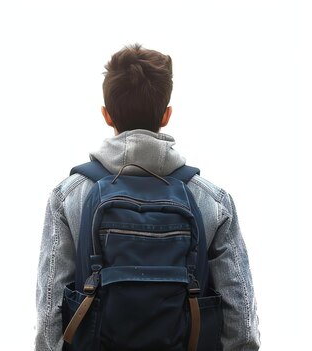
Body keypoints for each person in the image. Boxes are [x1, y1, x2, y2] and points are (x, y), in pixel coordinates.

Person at [34, 44, 260, 350]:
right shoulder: (213, 200)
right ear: (166, 115)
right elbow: (242, 322)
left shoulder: (69, 195)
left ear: (107, 115)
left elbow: (49, 314)